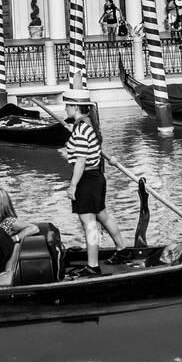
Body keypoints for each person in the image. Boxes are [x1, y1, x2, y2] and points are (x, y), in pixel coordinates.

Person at [62, 89, 128, 278]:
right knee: (102, 215)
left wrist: (73, 185)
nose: (65, 109)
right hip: (96, 178)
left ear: (75, 106)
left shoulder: (82, 128)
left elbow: (81, 160)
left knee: (88, 222)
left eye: (67, 105)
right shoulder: (87, 124)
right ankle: (122, 249)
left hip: (87, 179)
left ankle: (93, 266)